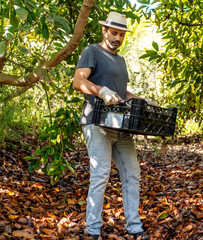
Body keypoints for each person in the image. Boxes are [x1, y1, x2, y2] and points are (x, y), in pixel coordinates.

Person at [72, 12, 149, 240]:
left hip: (120, 126)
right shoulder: (92, 51)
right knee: (101, 174)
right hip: (97, 123)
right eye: (114, 33)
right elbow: (78, 81)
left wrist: (140, 100)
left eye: (122, 35)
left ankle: (134, 227)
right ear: (104, 31)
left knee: (132, 173)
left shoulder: (121, 60)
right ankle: (93, 230)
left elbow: (120, 92)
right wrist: (100, 91)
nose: (117, 38)